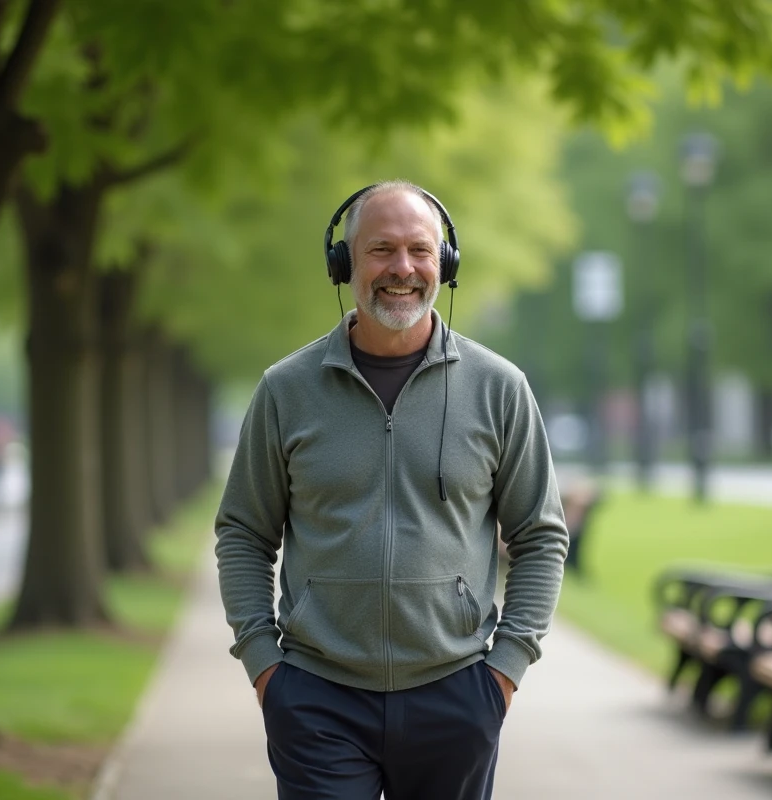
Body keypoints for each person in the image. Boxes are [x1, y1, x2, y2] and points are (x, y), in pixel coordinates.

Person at [214, 181, 569, 800]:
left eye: (419, 250)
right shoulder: (285, 390)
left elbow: (541, 536)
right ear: (345, 263)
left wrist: (504, 673)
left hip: (458, 695)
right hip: (316, 699)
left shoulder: (499, 389)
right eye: (380, 250)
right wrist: (265, 667)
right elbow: (244, 532)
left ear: (445, 263)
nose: (402, 268)